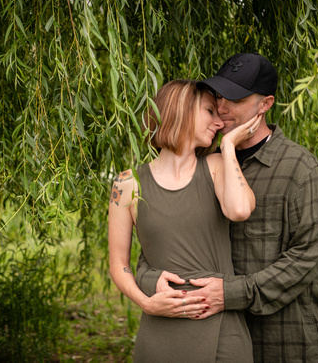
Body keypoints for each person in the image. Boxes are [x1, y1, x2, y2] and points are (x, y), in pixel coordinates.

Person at [136, 53, 318, 362]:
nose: (223, 108)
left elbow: (305, 259)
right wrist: (149, 281)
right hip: (213, 337)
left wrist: (229, 295)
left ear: (265, 104)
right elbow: (160, 243)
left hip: (282, 338)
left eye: (236, 99)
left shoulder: (298, 168)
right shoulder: (200, 167)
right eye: (218, 97)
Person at [108, 79, 263, 362]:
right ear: (181, 110)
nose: (220, 122)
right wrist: (147, 304)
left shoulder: (216, 167)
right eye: (210, 111)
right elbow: (118, 264)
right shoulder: (127, 183)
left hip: (221, 329)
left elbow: (239, 210)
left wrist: (228, 147)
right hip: (160, 331)